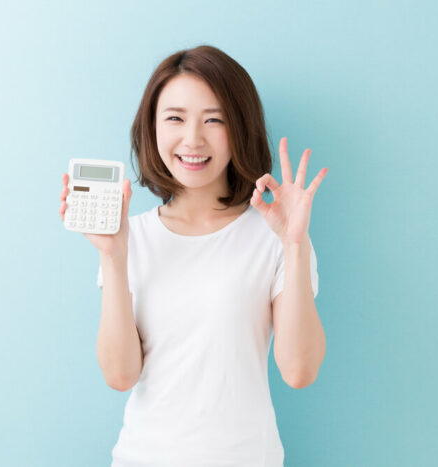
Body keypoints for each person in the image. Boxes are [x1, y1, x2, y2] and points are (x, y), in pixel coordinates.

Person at [58, 45, 328, 467]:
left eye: (214, 119)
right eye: (175, 118)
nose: (193, 139)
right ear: (153, 128)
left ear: (239, 127)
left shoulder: (275, 235)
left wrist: (294, 244)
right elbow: (119, 375)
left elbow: (299, 371)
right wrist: (113, 255)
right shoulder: (134, 237)